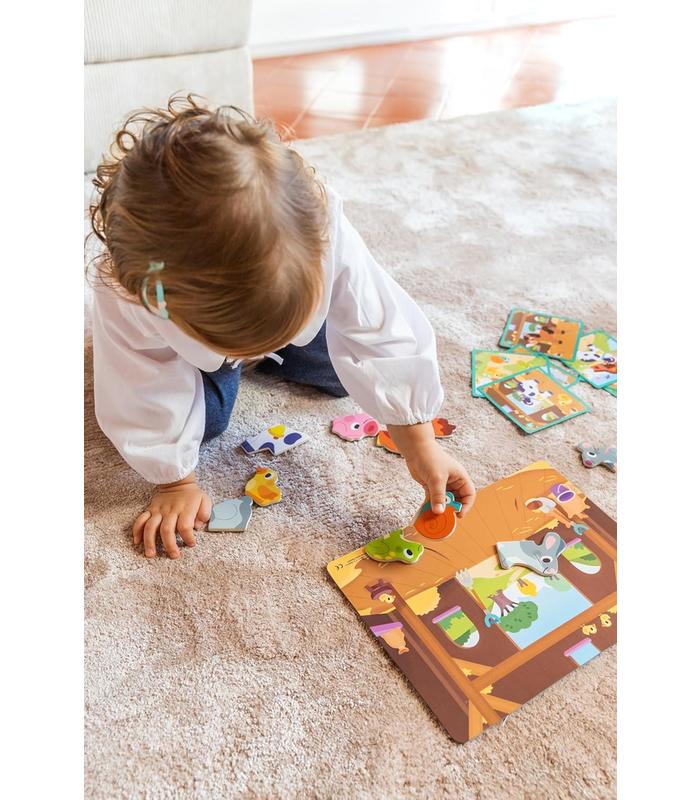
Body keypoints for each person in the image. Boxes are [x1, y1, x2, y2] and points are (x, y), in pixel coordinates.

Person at [89, 96, 476, 559]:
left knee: (344, 377)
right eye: (249, 346)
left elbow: (379, 325)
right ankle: (234, 356)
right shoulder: (133, 294)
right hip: (197, 357)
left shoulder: (323, 226)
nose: (255, 354)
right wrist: (175, 481)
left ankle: (278, 336)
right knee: (203, 425)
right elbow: (138, 385)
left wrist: (418, 441)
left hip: (295, 318)